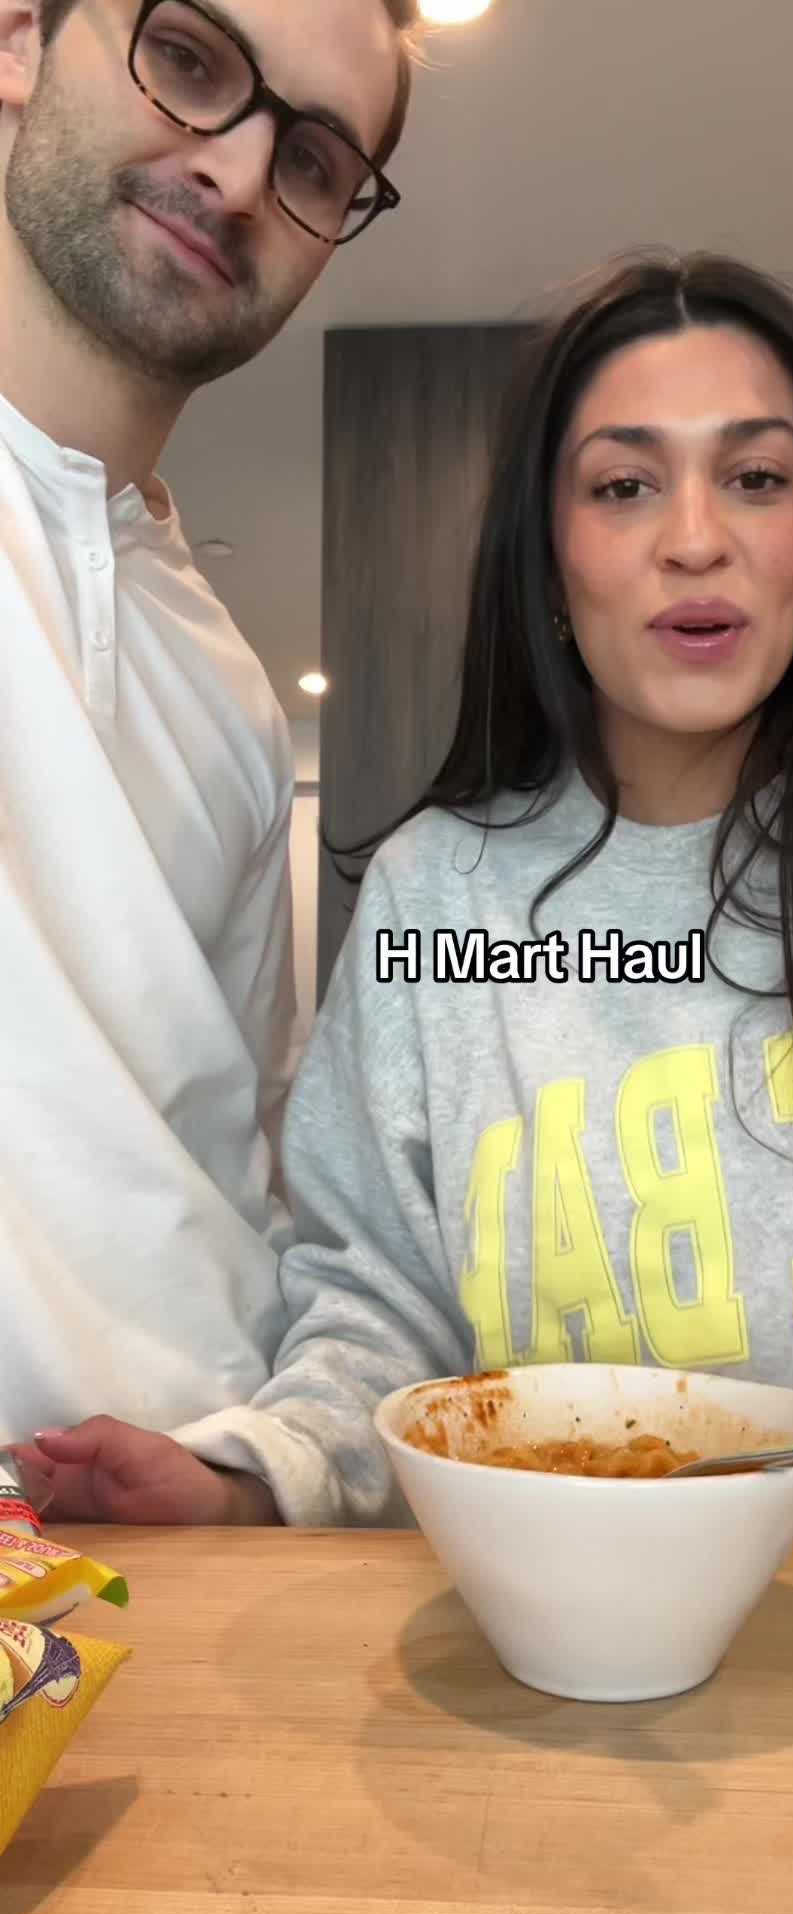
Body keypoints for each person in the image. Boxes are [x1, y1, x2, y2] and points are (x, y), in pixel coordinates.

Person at [36, 250, 793, 1531]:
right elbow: (380, 1308)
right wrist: (256, 1479)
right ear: (547, 557)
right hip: (573, 1621)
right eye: (624, 486)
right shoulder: (443, 901)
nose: (696, 540)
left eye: (757, 478)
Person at [0, 0, 418, 1525]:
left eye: (312, 162)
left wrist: (244, 1478)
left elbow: (239, 1161)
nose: (237, 174)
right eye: (189, 61)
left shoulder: (235, 700)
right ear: (18, 42)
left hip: (178, 1559)